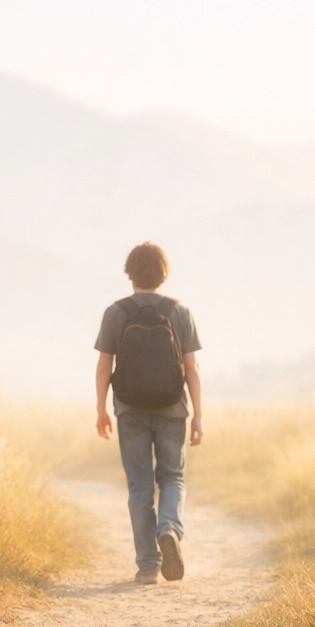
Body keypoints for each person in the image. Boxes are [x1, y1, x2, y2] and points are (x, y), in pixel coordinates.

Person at [95, 242, 204, 585]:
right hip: (173, 409)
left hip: (130, 411)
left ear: (130, 273)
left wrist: (101, 409)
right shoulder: (179, 312)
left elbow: (103, 367)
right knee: (173, 477)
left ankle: (146, 566)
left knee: (139, 487)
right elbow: (191, 368)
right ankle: (169, 529)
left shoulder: (115, 312)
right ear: (163, 274)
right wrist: (198, 415)